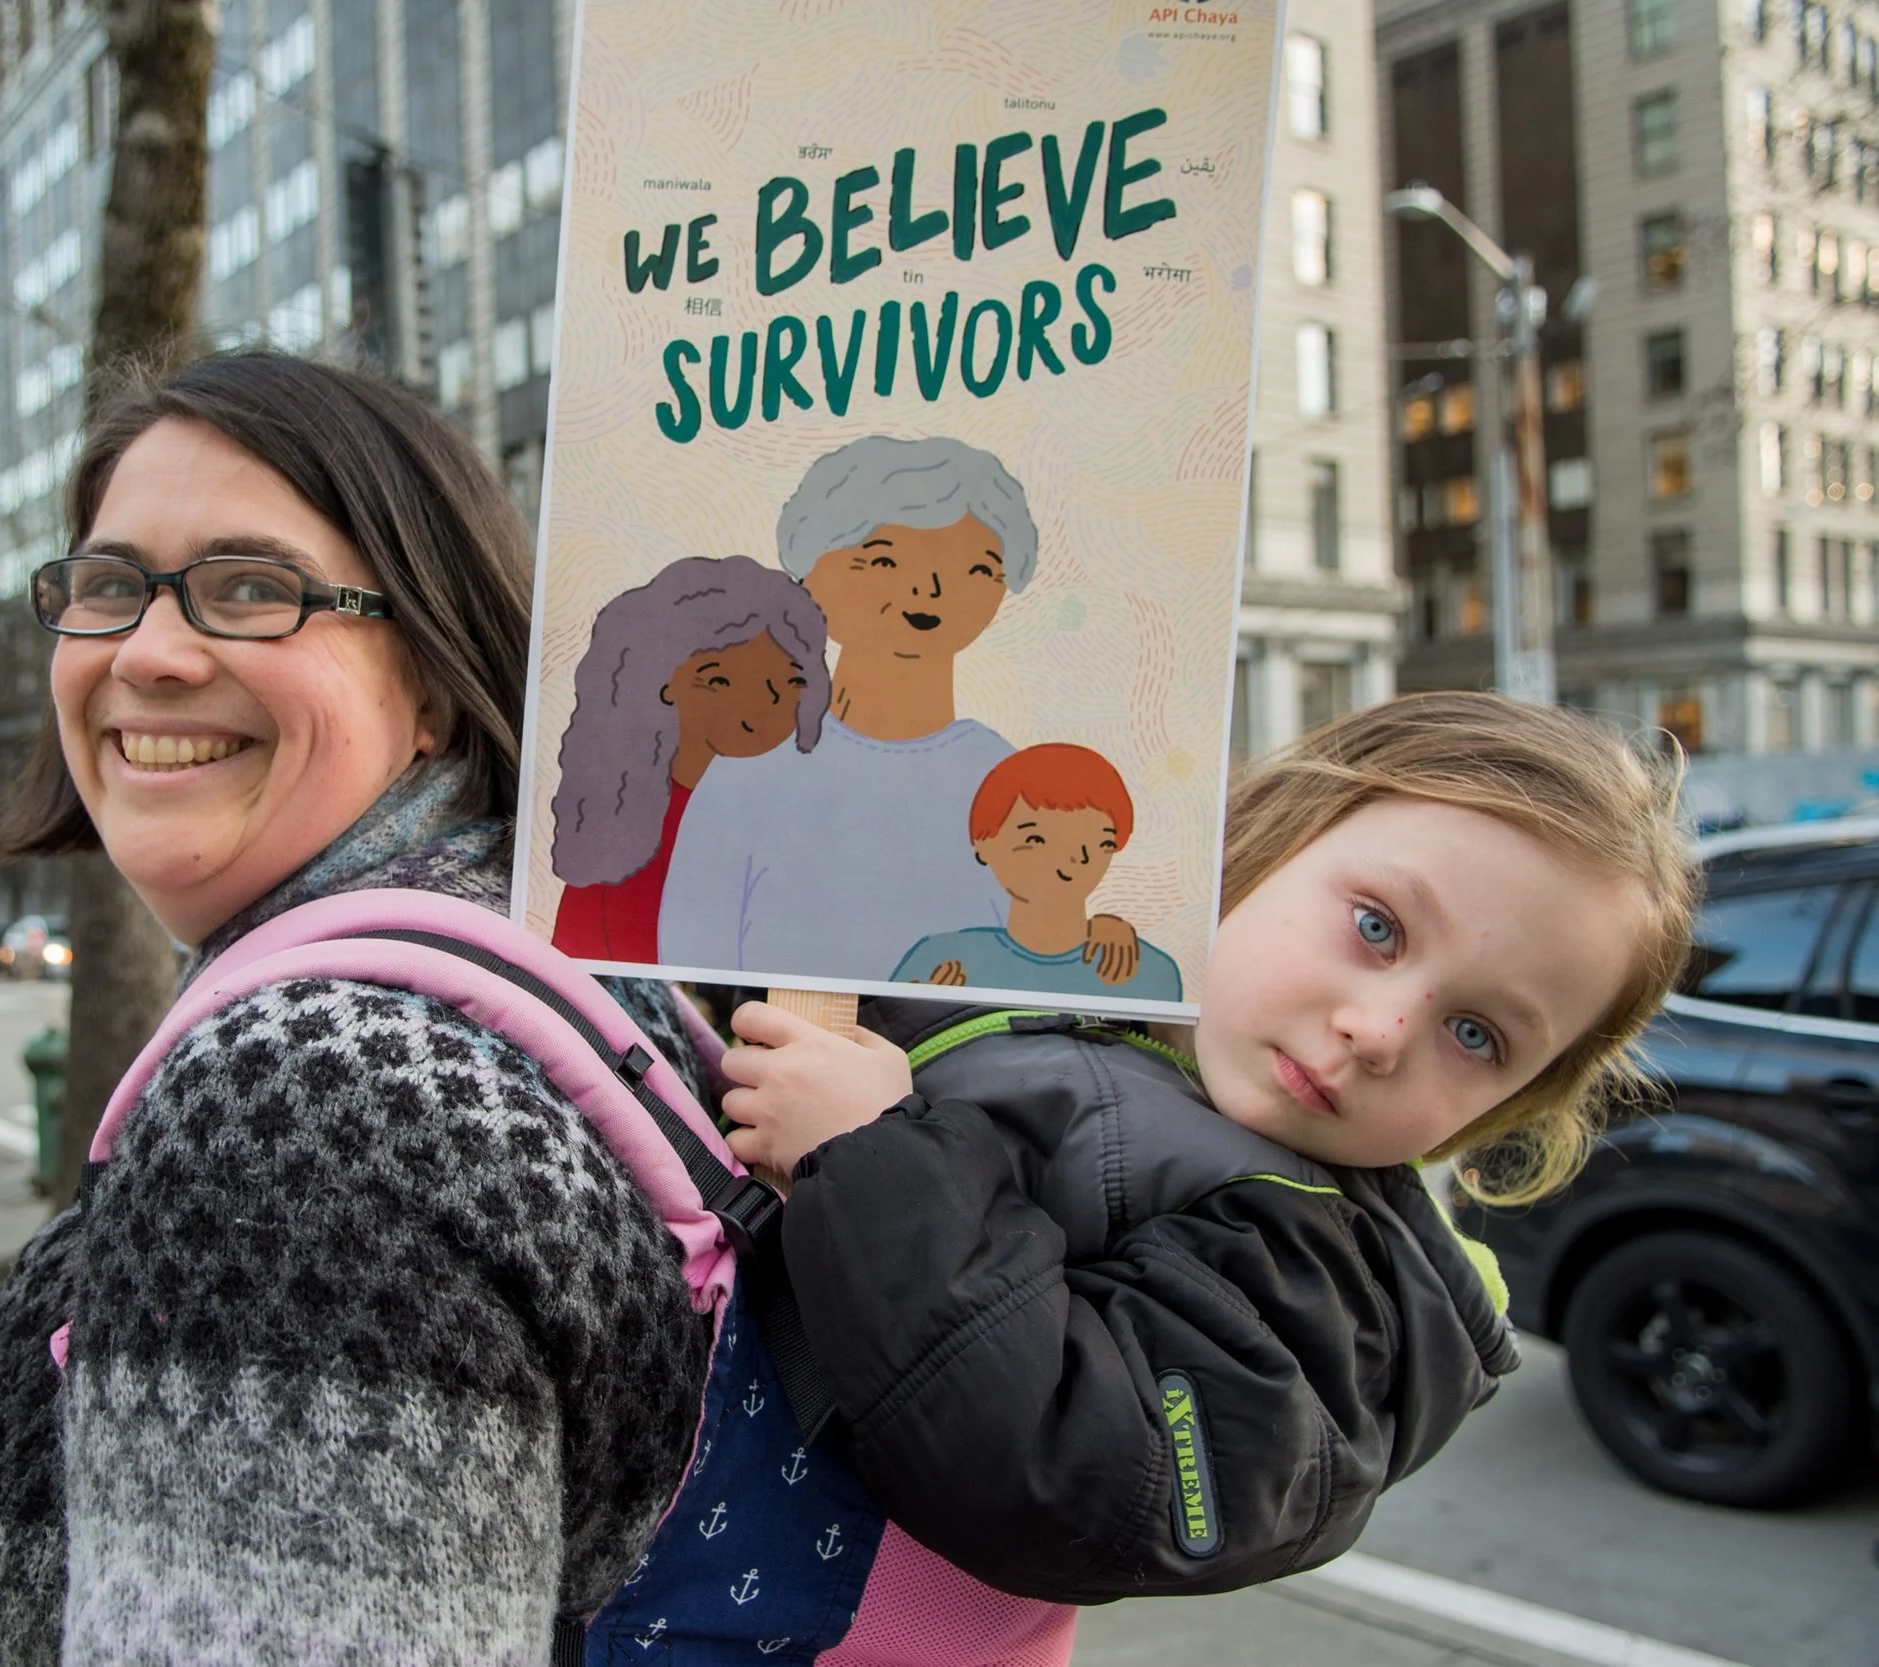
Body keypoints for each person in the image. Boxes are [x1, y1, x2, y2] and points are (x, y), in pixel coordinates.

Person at [0, 352, 739, 1665]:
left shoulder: (311, 1096)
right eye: (108, 585)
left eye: (252, 588)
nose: (149, 650)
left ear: (428, 676)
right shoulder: (562, 957)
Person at [716, 692, 1700, 1596]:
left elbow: (1067, 1479)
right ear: (1273, 832)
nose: (1382, 1031)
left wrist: (868, 1154)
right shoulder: (1041, 967)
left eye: (1476, 1035)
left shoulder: (1324, 1285)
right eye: (1376, 927)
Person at [655, 434, 1140, 983]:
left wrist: (1096, 941)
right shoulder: (749, 772)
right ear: (811, 573)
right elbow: (688, 977)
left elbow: (1039, 958)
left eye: (975, 568)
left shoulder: (1008, 783)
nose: (928, 588)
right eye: (882, 559)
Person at [549, 554, 829, 961]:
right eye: (721, 679)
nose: (766, 701)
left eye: (791, 680)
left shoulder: (796, 815)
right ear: (661, 679)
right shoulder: (621, 819)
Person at [892, 742, 1184, 1000]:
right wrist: (911, 1011)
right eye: (1035, 839)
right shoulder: (939, 960)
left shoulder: (1145, 970)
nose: (1073, 858)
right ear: (983, 843)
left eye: (1099, 842)